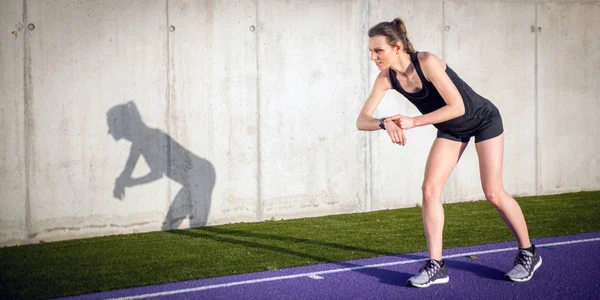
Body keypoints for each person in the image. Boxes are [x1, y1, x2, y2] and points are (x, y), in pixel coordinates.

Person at [356, 18, 542, 288]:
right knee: (430, 190)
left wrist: (412, 121)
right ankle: (436, 265)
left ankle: (528, 252)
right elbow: (362, 121)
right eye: (371, 52)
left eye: (378, 51)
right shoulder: (387, 78)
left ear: (396, 47)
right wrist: (384, 123)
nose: (373, 57)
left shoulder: (427, 61)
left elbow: (457, 107)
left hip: (483, 119)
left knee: (493, 192)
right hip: (451, 130)